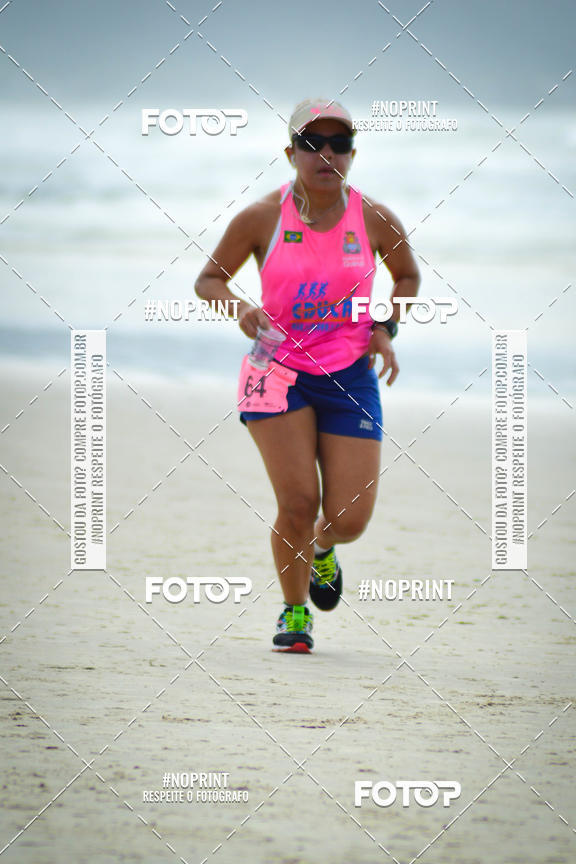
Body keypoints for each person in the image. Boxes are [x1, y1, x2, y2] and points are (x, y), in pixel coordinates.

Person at [195, 98, 420, 653]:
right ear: (291, 152)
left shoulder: (373, 217)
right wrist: (240, 308)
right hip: (276, 372)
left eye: (339, 144)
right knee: (297, 503)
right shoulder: (261, 218)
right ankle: (295, 614)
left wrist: (384, 329)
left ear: (353, 153)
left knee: (348, 518)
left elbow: (407, 277)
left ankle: (324, 547)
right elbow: (208, 281)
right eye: (312, 143)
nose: (326, 154)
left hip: (349, 373)